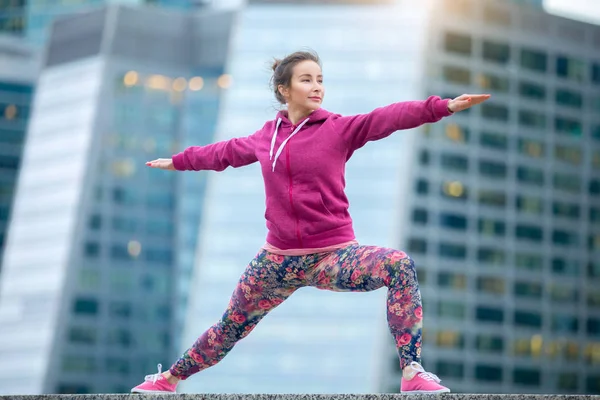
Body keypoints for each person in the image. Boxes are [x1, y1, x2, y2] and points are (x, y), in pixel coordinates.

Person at [131, 50, 490, 394]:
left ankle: (412, 371)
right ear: (284, 90)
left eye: (320, 79)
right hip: (277, 262)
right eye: (307, 80)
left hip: (332, 257)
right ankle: (168, 379)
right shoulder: (265, 138)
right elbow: (222, 153)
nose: (317, 86)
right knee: (230, 327)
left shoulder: (338, 129)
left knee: (399, 265)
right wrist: (179, 161)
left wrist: (441, 106)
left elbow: (388, 117)